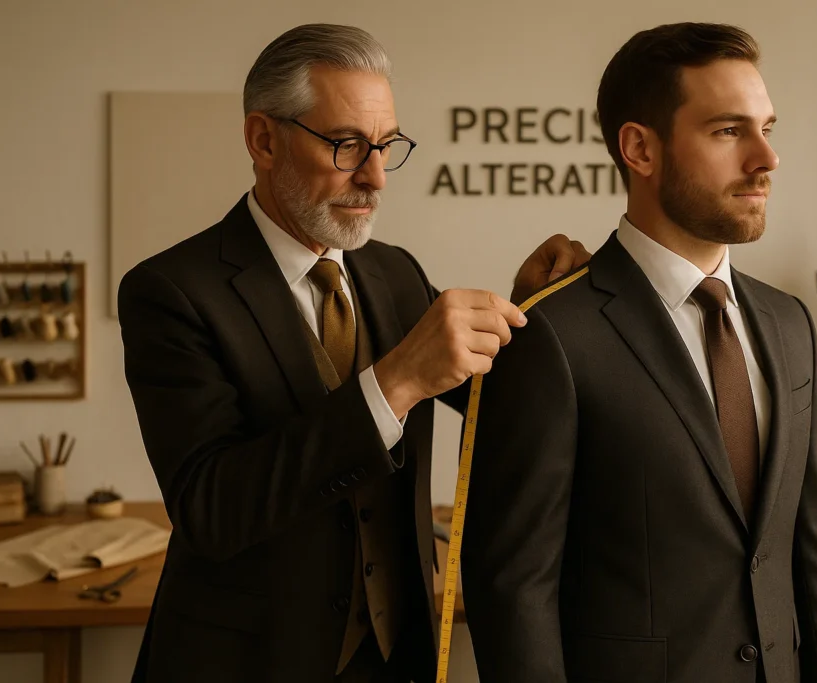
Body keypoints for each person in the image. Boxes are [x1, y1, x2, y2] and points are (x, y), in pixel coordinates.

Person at [117, 23, 589, 683]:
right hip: (247, 662)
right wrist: (393, 381)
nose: (375, 177)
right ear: (263, 139)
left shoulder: (394, 273)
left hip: (399, 657)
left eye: (386, 146)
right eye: (346, 145)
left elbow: (485, 394)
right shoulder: (169, 291)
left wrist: (532, 306)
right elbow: (212, 510)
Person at [462, 22, 817, 683]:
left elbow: (816, 553)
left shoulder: (792, 325)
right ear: (640, 149)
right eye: (729, 131)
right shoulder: (554, 334)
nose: (766, 157)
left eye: (767, 127)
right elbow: (513, 591)